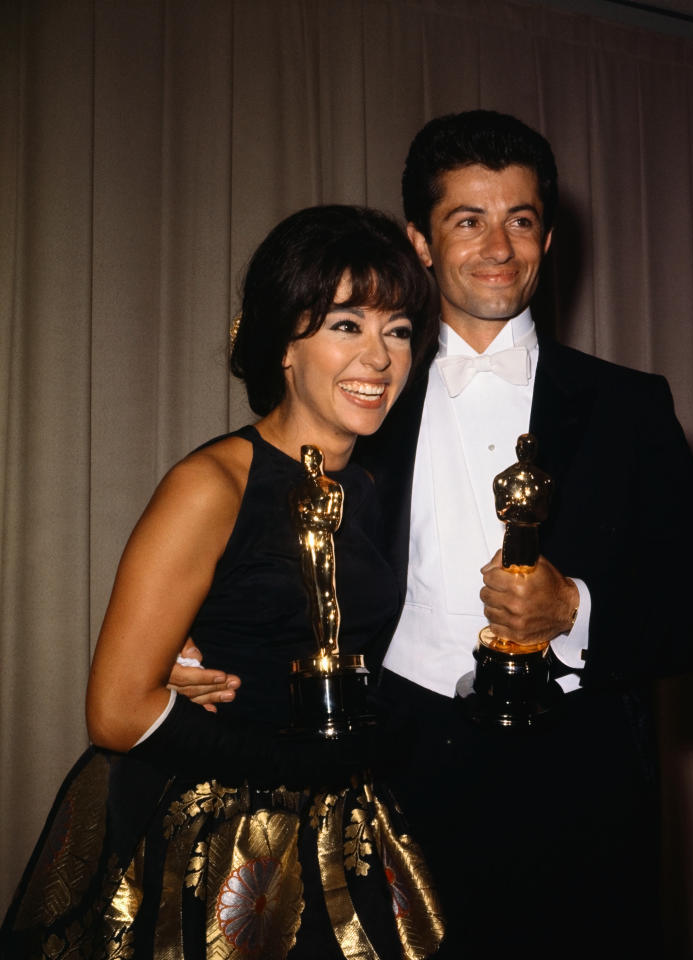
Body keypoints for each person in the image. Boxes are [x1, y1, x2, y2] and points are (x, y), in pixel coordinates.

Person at [178, 111, 693, 957]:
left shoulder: (631, 406)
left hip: (582, 789)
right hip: (388, 785)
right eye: (467, 221)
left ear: (548, 239)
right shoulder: (364, 395)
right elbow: (267, 515)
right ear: (420, 241)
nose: (498, 247)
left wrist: (576, 609)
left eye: (520, 220)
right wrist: (200, 634)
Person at [0, 205, 444, 959]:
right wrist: (293, 766)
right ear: (283, 347)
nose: (379, 357)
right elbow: (113, 710)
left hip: (350, 831)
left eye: (397, 330)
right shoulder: (210, 485)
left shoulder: (374, 488)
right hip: (209, 842)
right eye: (346, 324)